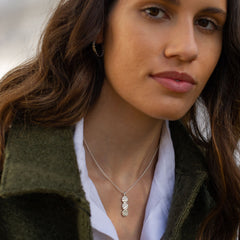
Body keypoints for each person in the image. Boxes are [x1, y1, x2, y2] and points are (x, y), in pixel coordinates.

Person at [0, 0, 239, 239]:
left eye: (206, 23)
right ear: (99, 23)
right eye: (155, 12)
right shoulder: (6, 159)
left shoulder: (221, 196)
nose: (187, 48)